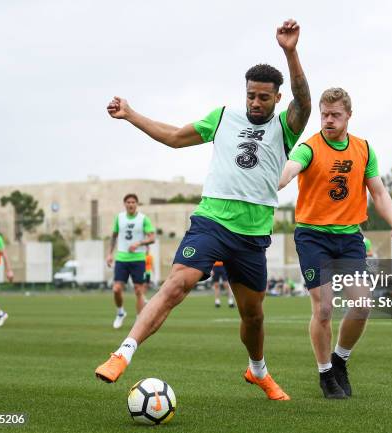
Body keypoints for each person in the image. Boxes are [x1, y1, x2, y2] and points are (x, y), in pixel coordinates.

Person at [95, 19, 311, 401]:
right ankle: (122, 353)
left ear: (276, 98)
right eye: (251, 95)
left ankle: (258, 371)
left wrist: (290, 52)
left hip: (253, 233)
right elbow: (176, 137)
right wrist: (131, 114)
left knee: (253, 316)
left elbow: (304, 100)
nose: (256, 102)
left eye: (263, 97)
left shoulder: (286, 126)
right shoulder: (224, 116)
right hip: (211, 220)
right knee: (178, 282)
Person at [278, 87, 392, 398]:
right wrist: (278, 179)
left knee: (362, 305)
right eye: (324, 114)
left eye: (335, 115)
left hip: (350, 237)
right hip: (313, 236)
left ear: (349, 115)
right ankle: (325, 375)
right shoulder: (309, 147)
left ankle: (340, 360)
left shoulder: (363, 148)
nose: (328, 120)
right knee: (323, 309)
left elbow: (378, 192)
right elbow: (290, 169)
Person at [106, 194, 155, 329]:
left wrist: (139, 243)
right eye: (128, 202)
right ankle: (120, 312)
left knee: (139, 290)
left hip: (138, 258)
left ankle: (139, 320)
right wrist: (109, 254)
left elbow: (152, 238)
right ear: (124, 204)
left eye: (133, 202)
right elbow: (114, 237)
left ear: (137, 204)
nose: (131, 204)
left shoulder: (143, 219)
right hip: (121, 258)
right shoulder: (119, 218)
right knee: (116, 289)